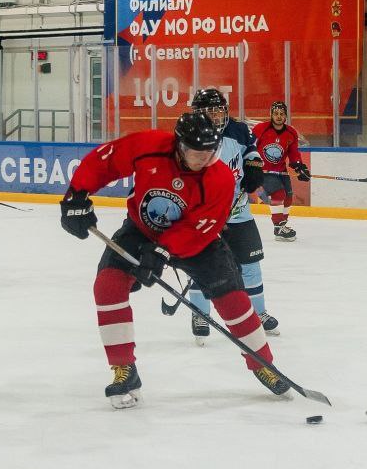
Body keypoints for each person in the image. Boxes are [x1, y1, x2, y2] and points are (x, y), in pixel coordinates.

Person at [59, 111, 291, 409]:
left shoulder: (219, 178)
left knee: (232, 297)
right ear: (179, 146)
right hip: (141, 230)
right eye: (196, 153)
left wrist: (163, 251)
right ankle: (124, 368)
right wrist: (76, 196)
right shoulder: (149, 146)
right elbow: (105, 161)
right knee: (107, 285)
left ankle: (263, 363)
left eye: (210, 152)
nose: (203, 159)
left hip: (196, 241)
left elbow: (200, 227)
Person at [184, 88, 280, 344]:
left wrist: (253, 167)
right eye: (210, 111)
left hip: (239, 213)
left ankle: (258, 313)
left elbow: (251, 151)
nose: (216, 116)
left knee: (250, 266)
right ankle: (200, 314)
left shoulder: (238, 130)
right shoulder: (189, 135)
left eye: (219, 110)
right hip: (204, 216)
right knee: (202, 267)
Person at [252, 101, 309, 241]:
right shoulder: (260, 129)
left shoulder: (291, 132)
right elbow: (249, 146)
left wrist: (299, 167)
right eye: (276, 113)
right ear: (271, 114)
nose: (278, 116)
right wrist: (251, 164)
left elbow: (293, 153)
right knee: (279, 194)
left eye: (282, 114)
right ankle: (278, 225)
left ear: (286, 116)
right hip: (263, 171)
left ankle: (281, 225)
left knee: (288, 196)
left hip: (281, 170)